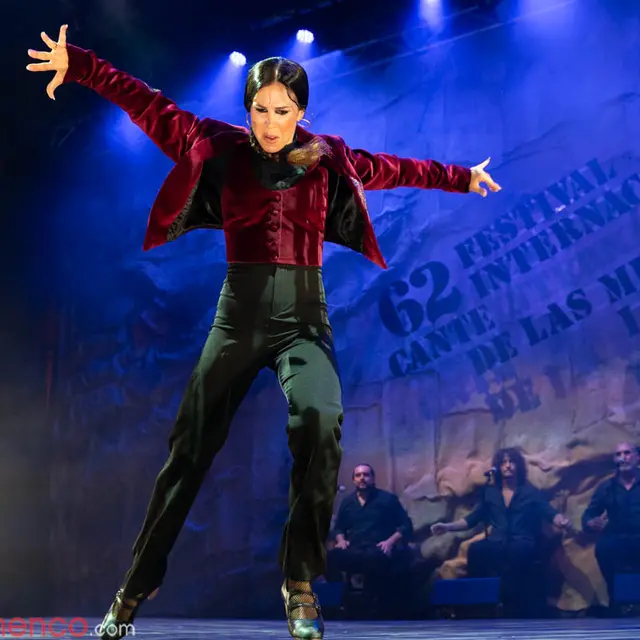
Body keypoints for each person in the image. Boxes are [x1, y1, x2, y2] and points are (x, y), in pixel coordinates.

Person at [26, 24, 502, 640]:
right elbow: (148, 103)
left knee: (321, 420)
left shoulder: (328, 156)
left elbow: (394, 167)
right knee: (189, 452)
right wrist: (82, 64)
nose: (270, 123)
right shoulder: (215, 144)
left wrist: (461, 177)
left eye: (282, 111)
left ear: (300, 111)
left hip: (303, 319)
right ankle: (134, 589)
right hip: (238, 317)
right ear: (247, 109)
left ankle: (299, 583)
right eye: (260, 110)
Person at [431, 448, 571, 616]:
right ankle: (480, 606)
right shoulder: (491, 493)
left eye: (511, 462)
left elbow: (548, 512)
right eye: (503, 462)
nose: (508, 466)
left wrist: (561, 521)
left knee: (519, 551)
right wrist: (447, 527)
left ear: (518, 466)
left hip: (522, 540)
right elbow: (472, 519)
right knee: (476, 550)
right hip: (496, 541)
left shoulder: (529, 491)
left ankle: (517, 606)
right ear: (498, 467)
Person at [327, 464, 414, 616]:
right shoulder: (348, 502)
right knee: (330, 557)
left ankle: (373, 606)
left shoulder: (387, 499)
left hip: (379, 547)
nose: (362, 478)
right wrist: (341, 541)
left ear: (373, 478)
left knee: (376, 561)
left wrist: (390, 542)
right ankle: (338, 603)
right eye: (358, 475)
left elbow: (406, 526)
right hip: (355, 548)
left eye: (366, 475)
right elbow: (339, 528)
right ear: (353, 480)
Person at [582, 441, 640, 607]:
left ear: (637, 457)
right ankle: (617, 599)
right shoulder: (607, 487)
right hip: (616, 536)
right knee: (604, 547)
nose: (623, 457)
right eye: (618, 454)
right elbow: (589, 514)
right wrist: (591, 522)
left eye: (627, 453)